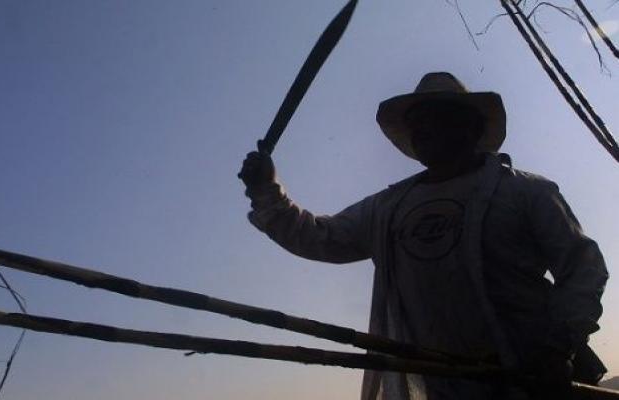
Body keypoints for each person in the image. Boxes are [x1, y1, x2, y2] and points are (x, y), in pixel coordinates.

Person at [238, 72, 609, 400]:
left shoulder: (525, 192)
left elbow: (583, 270)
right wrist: (267, 191)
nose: (422, 130)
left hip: (537, 379)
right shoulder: (387, 208)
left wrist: (560, 347)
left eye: (436, 117)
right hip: (444, 385)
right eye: (416, 122)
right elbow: (321, 237)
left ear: (471, 128)